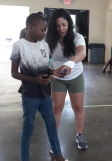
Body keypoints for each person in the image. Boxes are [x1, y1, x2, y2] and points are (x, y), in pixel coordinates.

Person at [10, 13, 77, 161]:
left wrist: (53, 72)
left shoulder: (45, 45)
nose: (44, 33)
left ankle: (59, 158)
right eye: (42, 30)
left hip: (45, 93)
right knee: (29, 126)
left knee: (51, 125)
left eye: (46, 30)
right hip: (30, 95)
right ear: (31, 27)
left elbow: (44, 67)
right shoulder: (19, 45)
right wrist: (35, 80)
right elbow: (14, 73)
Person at [46, 8, 88, 150]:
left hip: (75, 75)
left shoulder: (77, 37)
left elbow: (82, 52)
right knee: (57, 108)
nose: (61, 28)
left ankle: (80, 134)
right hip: (58, 78)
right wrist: (50, 71)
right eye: (57, 25)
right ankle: (54, 138)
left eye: (64, 24)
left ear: (69, 24)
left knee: (78, 107)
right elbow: (45, 57)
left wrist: (70, 62)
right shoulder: (50, 39)